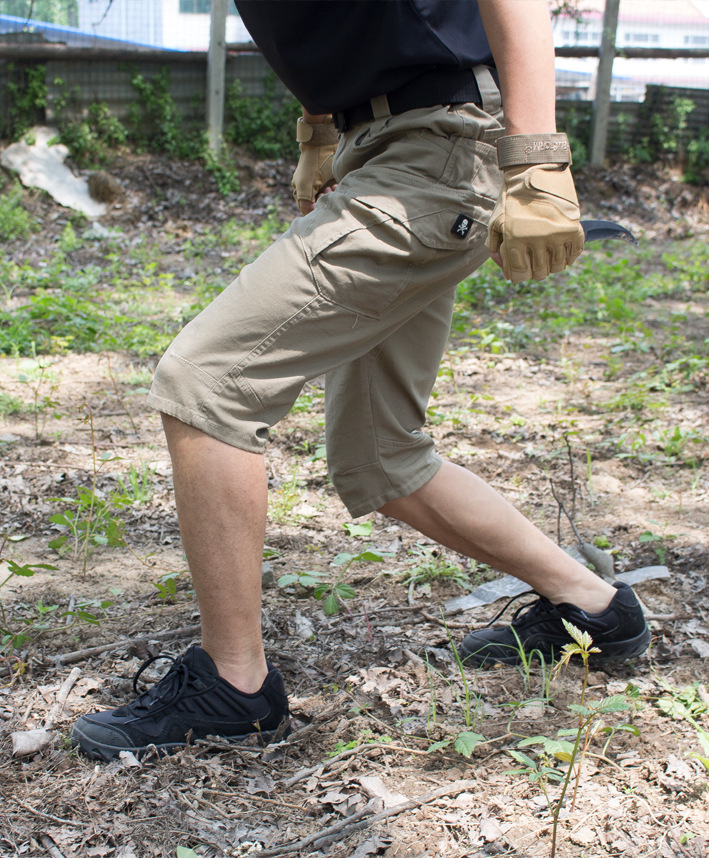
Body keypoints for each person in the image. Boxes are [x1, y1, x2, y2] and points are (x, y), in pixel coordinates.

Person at [71, 0, 650, 762]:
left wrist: (536, 160)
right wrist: (319, 129)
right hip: (382, 147)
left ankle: (234, 686)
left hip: (438, 149)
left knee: (207, 381)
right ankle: (597, 609)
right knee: (381, 456)